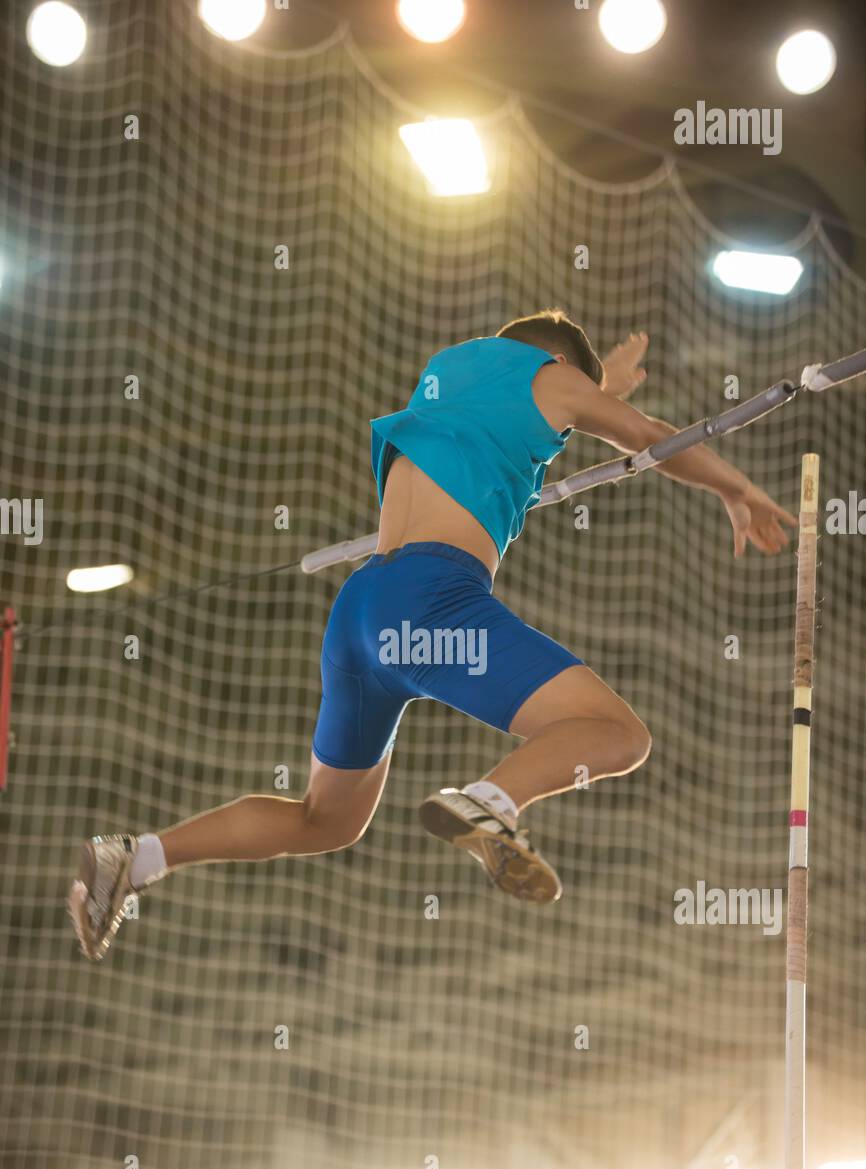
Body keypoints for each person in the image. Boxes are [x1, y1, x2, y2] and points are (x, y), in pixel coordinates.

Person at [68, 310, 796, 961]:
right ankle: (491, 802)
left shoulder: (450, 372)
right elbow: (652, 439)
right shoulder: (552, 380)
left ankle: (136, 857)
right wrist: (738, 490)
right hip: (430, 603)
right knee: (617, 734)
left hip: (361, 615)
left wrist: (601, 386)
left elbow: (519, 409)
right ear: (560, 366)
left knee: (326, 821)